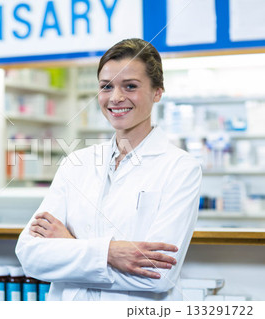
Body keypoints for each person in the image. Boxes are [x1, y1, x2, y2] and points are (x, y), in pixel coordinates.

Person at [15, 38, 202, 301]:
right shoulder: (75, 164)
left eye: (130, 86)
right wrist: (110, 254)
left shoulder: (181, 168)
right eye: (106, 86)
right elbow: (31, 256)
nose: (116, 97)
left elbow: (158, 275)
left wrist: (70, 248)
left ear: (157, 91)